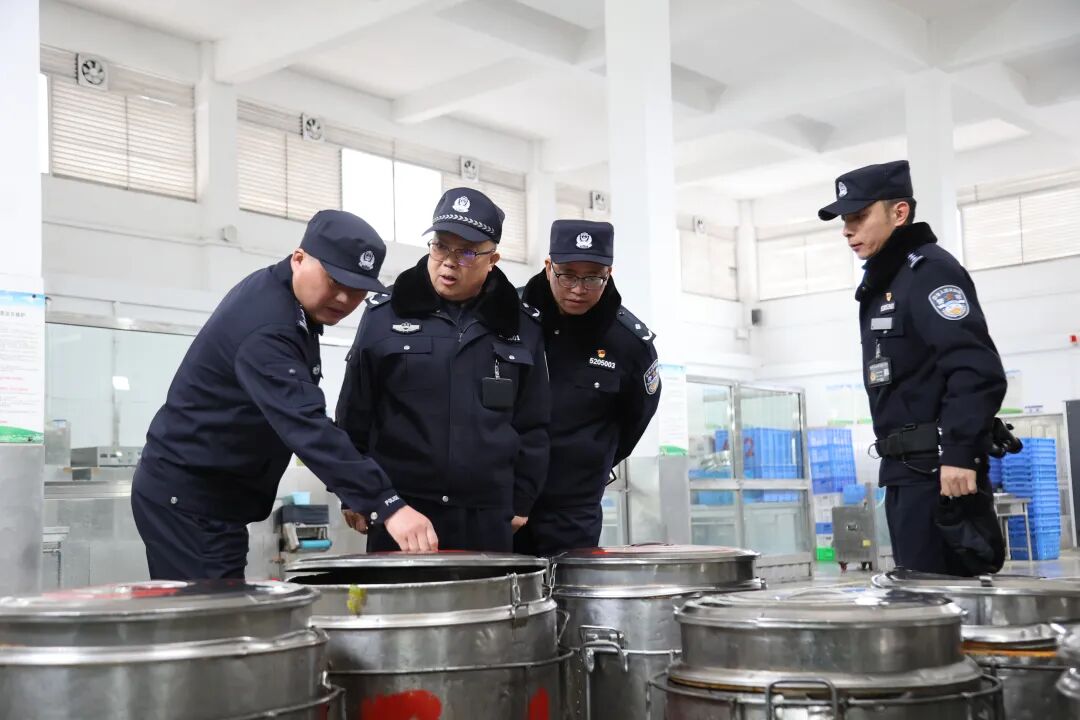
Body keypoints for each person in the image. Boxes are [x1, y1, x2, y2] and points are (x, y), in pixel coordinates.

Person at [131, 210, 438, 580]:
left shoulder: (288, 301)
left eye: (358, 289)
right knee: (212, 612)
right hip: (189, 499)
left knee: (221, 606)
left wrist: (360, 492)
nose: (344, 298)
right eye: (334, 280)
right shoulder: (268, 327)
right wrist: (386, 504)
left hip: (212, 499)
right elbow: (304, 423)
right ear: (299, 258)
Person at [818, 159, 1007, 575]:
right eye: (844, 220)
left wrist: (959, 452)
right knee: (918, 592)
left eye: (858, 216)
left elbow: (976, 369)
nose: (847, 229)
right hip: (906, 472)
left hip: (939, 472)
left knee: (942, 596)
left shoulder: (929, 272)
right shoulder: (889, 281)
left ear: (899, 212)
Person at [336, 187, 550, 552]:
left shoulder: (521, 325)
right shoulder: (385, 315)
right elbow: (354, 411)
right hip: (401, 509)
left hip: (486, 514)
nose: (449, 262)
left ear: (492, 259)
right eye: (440, 246)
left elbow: (534, 423)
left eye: (466, 252)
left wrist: (521, 499)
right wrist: (352, 491)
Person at [513, 220, 660, 556]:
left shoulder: (629, 343)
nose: (578, 289)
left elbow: (635, 420)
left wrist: (590, 460)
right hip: (502, 497)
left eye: (593, 278)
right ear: (548, 266)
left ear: (609, 273)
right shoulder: (508, 318)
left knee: (570, 587)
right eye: (567, 275)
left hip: (572, 508)